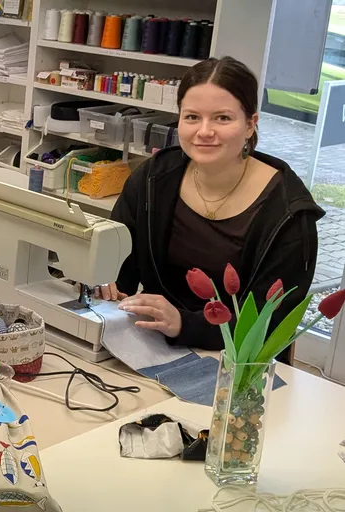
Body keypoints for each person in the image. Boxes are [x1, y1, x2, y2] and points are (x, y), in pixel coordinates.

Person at [103, 56, 324, 364]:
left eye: (222, 118)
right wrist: (104, 284)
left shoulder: (289, 215)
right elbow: (118, 264)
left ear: (250, 125)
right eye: (192, 117)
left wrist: (183, 323)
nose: (204, 131)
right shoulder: (155, 178)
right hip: (151, 346)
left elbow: (266, 322)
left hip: (237, 365)